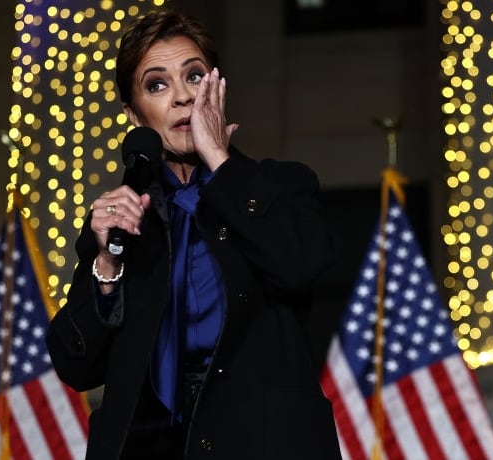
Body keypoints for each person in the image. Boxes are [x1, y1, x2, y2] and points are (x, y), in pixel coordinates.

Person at [46, 9, 342, 459]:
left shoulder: (279, 186)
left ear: (218, 88)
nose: (182, 96)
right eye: (157, 85)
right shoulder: (121, 220)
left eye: (195, 76)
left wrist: (221, 164)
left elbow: (302, 266)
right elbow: (76, 364)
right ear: (133, 114)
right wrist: (106, 264)